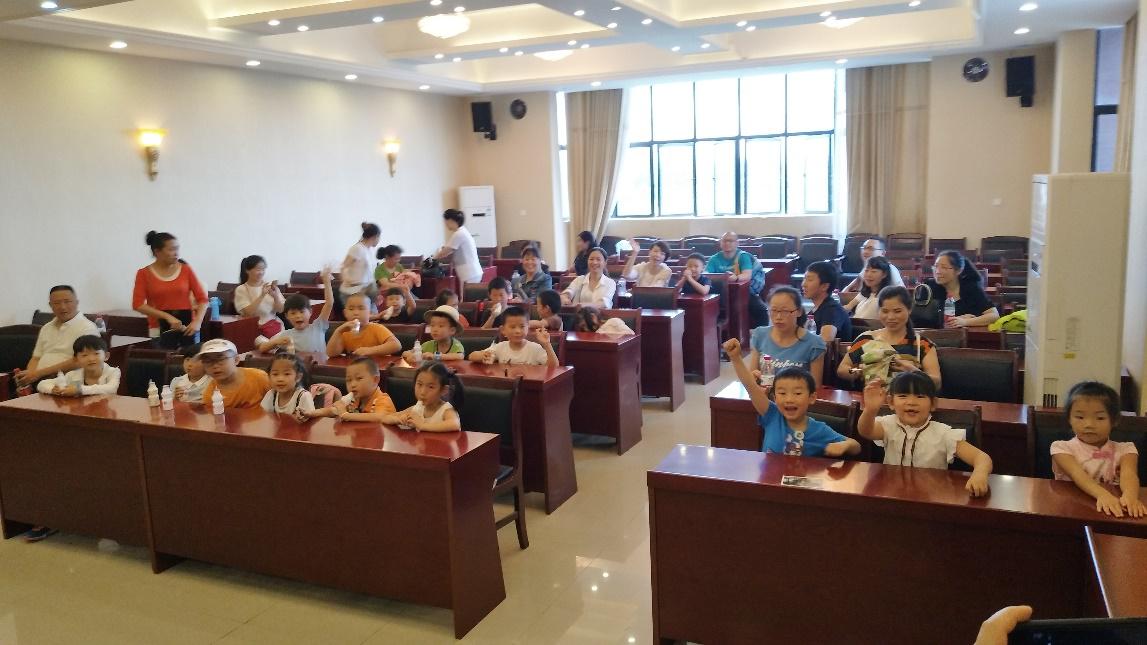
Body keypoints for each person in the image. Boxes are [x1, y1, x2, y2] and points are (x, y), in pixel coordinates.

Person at [858, 371, 993, 496]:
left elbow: (982, 458)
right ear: (891, 402)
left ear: (933, 404)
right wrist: (870, 410)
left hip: (932, 498)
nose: (911, 402)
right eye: (903, 396)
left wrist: (979, 475)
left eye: (920, 396)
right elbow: (866, 431)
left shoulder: (943, 433)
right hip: (893, 495)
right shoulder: (888, 424)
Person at [723, 338, 860, 458]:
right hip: (769, 479)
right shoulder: (772, 414)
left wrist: (844, 446)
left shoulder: (818, 430)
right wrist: (736, 358)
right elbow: (750, 386)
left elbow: (855, 446)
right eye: (782, 393)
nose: (789, 399)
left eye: (797, 393)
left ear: (812, 397)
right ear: (774, 398)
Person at [1051, 381, 1145, 518]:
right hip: (1072, 511)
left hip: (1114, 511)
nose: (1089, 424)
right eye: (1080, 417)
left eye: (1100, 418)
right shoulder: (1061, 448)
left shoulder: (1126, 449)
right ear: (1069, 419)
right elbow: (1078, 475)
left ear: (1114, 421)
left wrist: (1130, 497)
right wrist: (1103, 495)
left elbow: (1129, 475)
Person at [837, 286, 941, 389]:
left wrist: (913, 372)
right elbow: (842, 369)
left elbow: (937, 382)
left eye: (897, 311)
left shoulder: (922, 344)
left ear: (909, 310)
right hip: (871, 397)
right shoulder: (866, 339)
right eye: (885, 311)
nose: (890, 317)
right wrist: (859, 371)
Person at [132, 231, 208, 347]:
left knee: (189, 357)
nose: (176, 253)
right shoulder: (143, 273)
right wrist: (167, 317)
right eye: (171, 249)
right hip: (158, 329)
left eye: (177, 249)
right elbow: (138, 304)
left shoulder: (186, 269)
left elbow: (202, 299)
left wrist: (197, 321)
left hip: (187, 328)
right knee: (163, 356)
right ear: (157, 252)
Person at [16, 285, 98, 390]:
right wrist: (29, 376)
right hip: (40, 380)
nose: (62, 307)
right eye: (57, 303)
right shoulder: (46, 328)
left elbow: (79, 361)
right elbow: (36, 357)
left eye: (67, 301)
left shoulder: (86, 328)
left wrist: (38, 374)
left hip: (69, 383)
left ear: (76, 303)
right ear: (50, 305)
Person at [747, 286, 827, 390]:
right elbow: (752, 377)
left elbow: (815, 387)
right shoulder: (760, 334)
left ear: (799, 311)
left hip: (796, 398)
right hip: (764, 395)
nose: (778, 317)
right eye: (773, 310)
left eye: (785, 311)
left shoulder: (814, 343)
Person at [259, 269, 334, 354]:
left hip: (321, 362)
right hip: (299, 363)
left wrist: (327, 282)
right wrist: (275, 342)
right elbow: (262, 348)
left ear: (310, 312)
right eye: (293, 313)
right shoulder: (285, 335)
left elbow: (329, 304)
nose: (298, 316)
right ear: (287, 316)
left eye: (302, 312)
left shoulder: (318, 326)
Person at [705, 231, 768, 328]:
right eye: (724, 241)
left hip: (741, 291)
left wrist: (736, 278)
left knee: (761, 310)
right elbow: (706, 275)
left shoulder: (743, 256)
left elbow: (747, 275)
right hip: (719, 293)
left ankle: (761, 334)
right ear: (720, 243)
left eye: (730, 241)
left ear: (737, 243)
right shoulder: (714, 259)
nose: (727, 243)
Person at [382, 362, 464, 432]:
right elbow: (386, 418)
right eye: (419, 384)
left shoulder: (446, 410)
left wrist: (422, 425)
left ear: (444, 390)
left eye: (431, 387)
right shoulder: (418, 408)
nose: (423, 392)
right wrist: (398, 419)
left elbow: (454, 424)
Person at [307, 357, 396, 421]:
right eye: (349, 380)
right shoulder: (353, 399)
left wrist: (346, 415)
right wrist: (314, 413)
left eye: (359, 378)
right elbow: (333, 410)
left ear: (375, 380)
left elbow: (379, 418)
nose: (353, 384)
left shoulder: (383, 400)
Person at [928, 250, 1000, 328]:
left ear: (958, 270)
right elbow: (922, 319)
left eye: (944, 267)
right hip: (935, 334)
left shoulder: (971, 288)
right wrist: (949, 322)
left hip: (968, 334)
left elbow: (994, 315)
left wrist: (965, 322)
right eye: (936, 266)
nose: (937, 271)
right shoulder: (929, 287)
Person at [468, 306, 559, 367]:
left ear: (528, 327)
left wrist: (547, 344)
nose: (517, 331)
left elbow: (554, 366)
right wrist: (483, 356)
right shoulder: (500, 347)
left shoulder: (535, 348)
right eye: (512, 327)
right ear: (503, 330)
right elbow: (471, 356)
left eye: (522, 326)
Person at [36, 335, 120, 396]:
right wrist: (52, 390)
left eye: (96, 354)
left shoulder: (113, 372)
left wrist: (79, 390)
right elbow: (42, 384)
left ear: (106, 356)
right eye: (84, 355)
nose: (91, 359)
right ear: (76, 359)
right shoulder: (72, 375)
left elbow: (111, 388)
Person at [199, 339, 271, 408]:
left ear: (236, 360)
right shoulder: (210, 394)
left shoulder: (259, 377)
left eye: (220, 359)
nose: (214, 365)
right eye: (208, 361)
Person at [326, 292, 400, 357]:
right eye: (351, 309)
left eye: (361, 308)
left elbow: (396, 345)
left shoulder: (376, 328)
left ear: (370, 313)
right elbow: (331, 353)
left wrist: (369, 351)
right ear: (345, 313)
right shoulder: (344, 331)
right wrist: (338, 331)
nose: (356, 313)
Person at [233, 255, 285, 343]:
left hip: (273, 327)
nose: (261, 272)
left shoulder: (270, 287)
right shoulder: (241, 289)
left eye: (263, 269)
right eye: (258, 269)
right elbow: (249, 312)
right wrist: (262, 295)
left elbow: (281, 310)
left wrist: (275, 296)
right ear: (247, 270)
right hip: (253, 330)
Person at [802, 261, 850, 342]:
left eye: (809, 280)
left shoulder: (832, 309)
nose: (803, 284)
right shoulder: (817, 309)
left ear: (824, 286)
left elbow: (826, 341)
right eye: (804, 279)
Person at [434, 209, 483, 286]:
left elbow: (444, 252)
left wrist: (430, 260)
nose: (445, 224)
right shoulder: (462, 231)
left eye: (445, 221)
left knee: (468, 294)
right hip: (470, 273)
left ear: (450, 220)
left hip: (470, 274)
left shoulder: (459, 234)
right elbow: (447, 252)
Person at [339, 222, 381, 307]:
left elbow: (369, 275)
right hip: (352, 292)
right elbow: (343, 267)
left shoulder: (369, 250)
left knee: (373, 314)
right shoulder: (357, 248)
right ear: (375, 236)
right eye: (379, 237)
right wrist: (347, 280)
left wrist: (376, 293)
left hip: (366, 291)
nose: (379, 240)